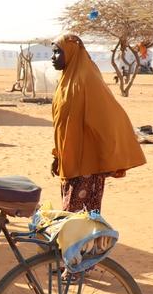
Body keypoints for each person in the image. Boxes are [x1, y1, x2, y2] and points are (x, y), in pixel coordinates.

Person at [51, 33, 146, 212]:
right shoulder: (66, 81)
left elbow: (109, 118)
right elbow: (62, 124)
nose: (52, 57)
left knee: (78, 216)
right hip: (70, 160)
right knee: (72, 216)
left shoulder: (87, 80)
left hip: (87, 164)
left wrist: (107, 157)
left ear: (71, 53)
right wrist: (58, 156)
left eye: (57, 52)